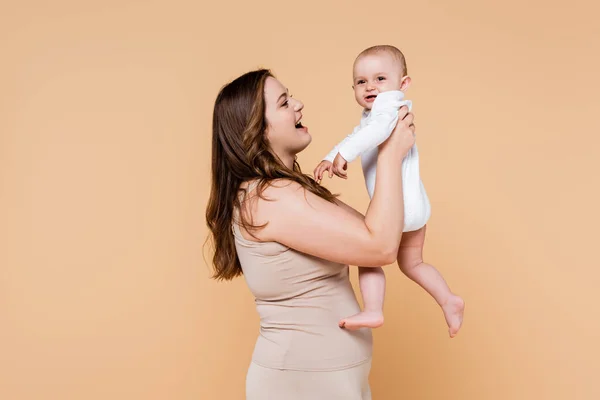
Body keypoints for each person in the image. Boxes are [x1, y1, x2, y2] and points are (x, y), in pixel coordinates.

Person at [206, 68, 415, 399]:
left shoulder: (285, 190)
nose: (298, 105)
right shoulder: (270, 197)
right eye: (284, 102)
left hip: (323, 378)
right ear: (256, 131)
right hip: (304, 381)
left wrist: (380, 146)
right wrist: (389, 155)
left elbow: (376, 231)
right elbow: (380, 248)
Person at [313, 45, 465, 337]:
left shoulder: (389, 108)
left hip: (399, 208)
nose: (370, 86)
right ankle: (448, 300)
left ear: (402, 84)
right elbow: (358, 134)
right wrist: (331, 157)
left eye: (380, 78)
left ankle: (373, 308)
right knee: (414, 263)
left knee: (366, 253)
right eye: (361, 81)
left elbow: (375, 133)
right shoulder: (376, 112)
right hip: (415, 205)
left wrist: (344, 154)